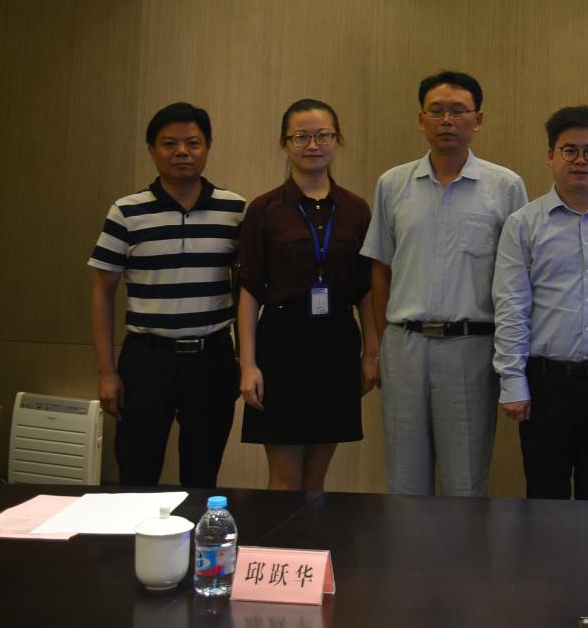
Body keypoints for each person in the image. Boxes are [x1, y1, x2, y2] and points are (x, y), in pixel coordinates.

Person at [361, 71, 526, 497]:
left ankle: (462, 547)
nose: (447, 120)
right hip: (405, 345)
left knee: (464, 483)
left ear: (478, 120)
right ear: (421, 120)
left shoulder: (505, 187)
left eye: (458, 111)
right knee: (405, 481)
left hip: (471, 348)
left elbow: (516, 280)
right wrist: (381, 344)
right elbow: (380, 269)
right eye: (436, 111)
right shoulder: (393, 184)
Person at [88, 102, 245, 487]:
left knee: (202, 476)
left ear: (208, 147)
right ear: (152, 150)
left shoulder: (235, 210)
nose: (182, 152)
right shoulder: (127, 212)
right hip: (147, 359)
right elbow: (102, 293)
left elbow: (245, 291)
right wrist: (107, 372)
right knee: (136, 473)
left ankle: (197, 530)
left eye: (193, 143)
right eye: (170, 143)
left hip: (212, 358)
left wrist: (245, 359)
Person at [493, 105, 588, 500]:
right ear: (550, 156)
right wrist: (512, 380)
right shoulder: (523, 224)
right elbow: (511, 305)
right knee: (545, 498)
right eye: (569, 150)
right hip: (547, 383)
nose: (581, 160)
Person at [236, 99, 378, 491]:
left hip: (337, 344)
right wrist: (248, 364)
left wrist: (371, 353)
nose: (312, 145)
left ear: (338, 139)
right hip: (281, 346)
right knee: (284, 480)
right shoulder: (264, 210)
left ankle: (314, 535)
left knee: (316, 480)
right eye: (301, 137)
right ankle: (279, 537)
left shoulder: (356, 209)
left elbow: (365, 289)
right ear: (285, 143)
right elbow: (249, 290)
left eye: (322, 135)